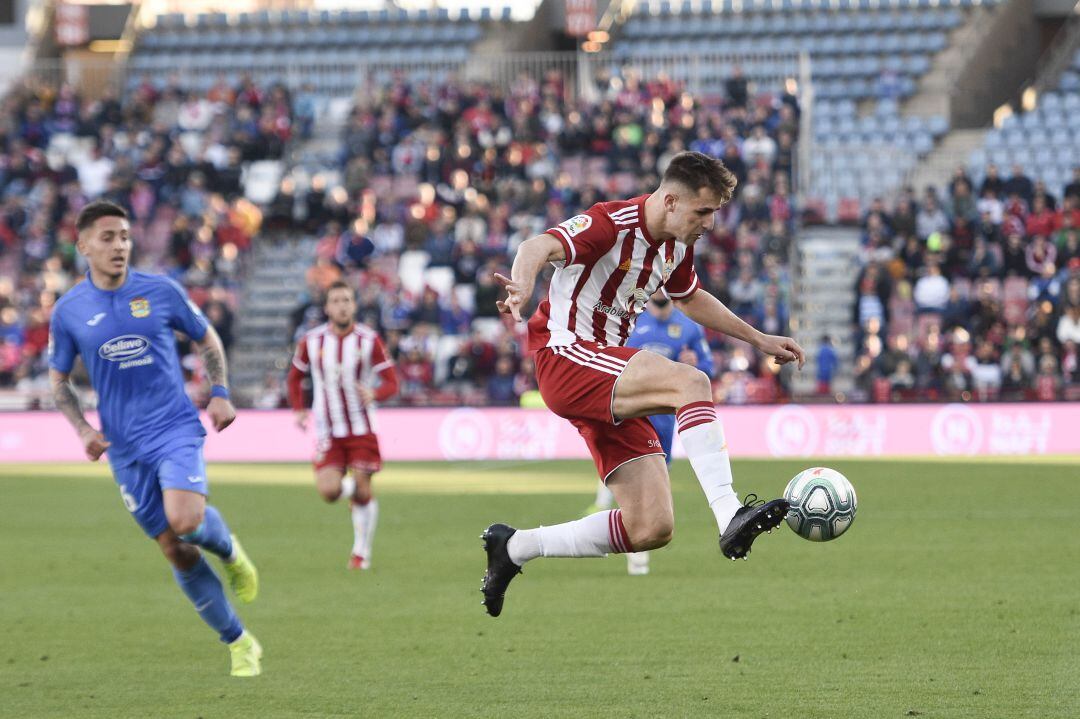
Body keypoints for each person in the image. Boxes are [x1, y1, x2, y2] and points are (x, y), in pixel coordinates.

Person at [480, 152, 805, 617]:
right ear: (670, 200)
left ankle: (513, 549)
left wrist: (758, 339)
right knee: (691, 382)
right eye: (703, 212)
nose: (710, 224)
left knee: (651, 526)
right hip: (567, 357)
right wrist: (523, 284)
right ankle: (730, 511)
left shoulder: (676, 241)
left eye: (713, 213)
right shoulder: (610, 223)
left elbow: (689, 297)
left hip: (606, 379)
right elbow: (537, 246)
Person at [47, 201, 261, 676]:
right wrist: (83, 429)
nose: (119, 245)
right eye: (107, 237)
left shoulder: (161, 291)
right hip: (124, 449)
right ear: (83, 246)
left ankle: (229, 550)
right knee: (174, 548)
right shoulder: (69, 312)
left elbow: (207, 339)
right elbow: (59, 380)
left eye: (124, 236)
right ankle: (239, 641)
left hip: (173, 428)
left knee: (185, 520)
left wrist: (220, 392)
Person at [581, 294, 715, 576]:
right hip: (631, 413)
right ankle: (634, 555)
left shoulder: (689, 326)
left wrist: (695, 364)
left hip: (665, 417)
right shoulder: (632, 322)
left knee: (656, 482)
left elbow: (706, 370)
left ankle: (638, 542)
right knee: (629, 477)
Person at [287, 280, 399, 570]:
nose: (342, 305)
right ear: (326, 307)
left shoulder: (368, 339)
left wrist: (375, 393)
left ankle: (361, 553)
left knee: (362, 488)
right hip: (328, 429)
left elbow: (392, 382)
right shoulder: (311, 341)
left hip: (361, 428)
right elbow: (294, 378)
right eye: (336, 300)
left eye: (346, 300)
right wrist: (299, 409)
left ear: (355, 304)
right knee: (329, 492)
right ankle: (355, 491)